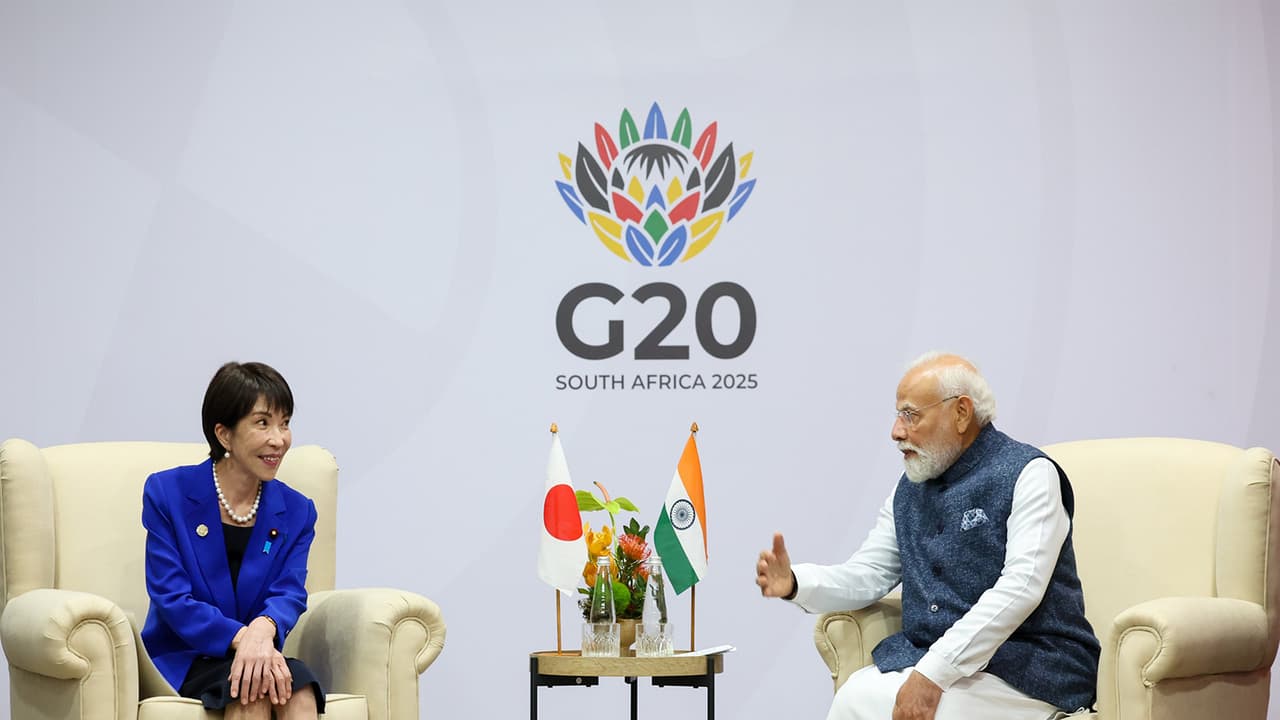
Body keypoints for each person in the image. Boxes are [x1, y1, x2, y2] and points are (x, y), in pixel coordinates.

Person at [757, 352, 1100, 720]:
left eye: (910, 415)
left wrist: (934, 673)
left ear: (961, 413)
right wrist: (795, 583)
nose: (896, 431)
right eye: (898, 415)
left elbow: (1021, 587)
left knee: (943, 711)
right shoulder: (908, 488)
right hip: (935, 662)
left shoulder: (1029, 474)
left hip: (1032, 665)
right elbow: (870, 573)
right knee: (853, 697)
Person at [141, 361, 324, 719]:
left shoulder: (298, 510)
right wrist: (245, 640)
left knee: (299, 689)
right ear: (224, 435)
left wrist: (263, 629)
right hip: (187, 655)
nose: (279, 438)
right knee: (250, 690)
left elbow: (289, 592)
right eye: (263, 423)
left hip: (260, 651)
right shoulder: (168, 494)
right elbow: (172, 598)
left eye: (284, 423)